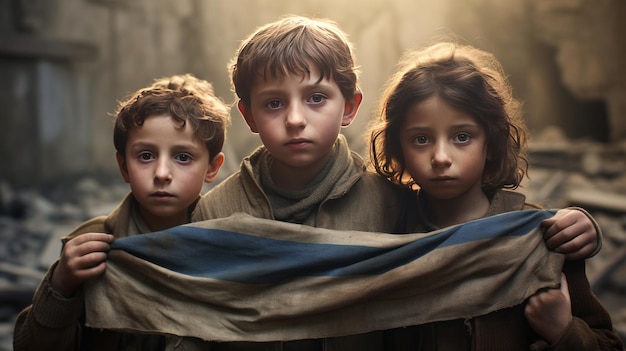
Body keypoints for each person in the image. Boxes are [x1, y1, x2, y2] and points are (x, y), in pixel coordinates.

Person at [191, 15, 603, 350]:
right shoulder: (215, 214)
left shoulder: (392, 206)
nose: (295, 118)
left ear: (350, 106)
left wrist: (577, 228)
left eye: (315, 97)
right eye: (275, 103)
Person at [368, 41, 624, 350]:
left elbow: (608, 344)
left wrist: (563, 331)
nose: (440, 156)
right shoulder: (387, 230)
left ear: (491, 142)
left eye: (462, 137)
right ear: (398, 146)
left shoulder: (538, 239)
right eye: (421, 139)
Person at [13, 73, 231, 351]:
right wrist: (60, 284)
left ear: (212, 167)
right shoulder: (93, 244)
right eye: (146, 156)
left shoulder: (227, 243)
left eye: (183, 157)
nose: (162, 173)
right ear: (124, 166)